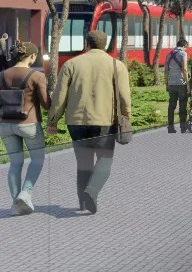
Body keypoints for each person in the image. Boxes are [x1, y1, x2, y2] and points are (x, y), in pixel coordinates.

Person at [46, 29, 131, 214]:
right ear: (105, 45)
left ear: (86, 44)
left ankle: (83, 203)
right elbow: (125, 97)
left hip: (76, 122)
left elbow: (59, 97)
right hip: (105, 122)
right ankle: (91, 192)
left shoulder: (71, 64)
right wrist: (126, 117)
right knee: (105, 160)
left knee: (83, 162)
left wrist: (52, 121)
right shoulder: (117, 65)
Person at [1, 41, 50, 215]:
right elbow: (46, 104)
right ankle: (25, 193)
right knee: (37, 159)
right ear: (33, 56)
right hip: (29, 124)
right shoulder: (36, 76)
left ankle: (16, 204)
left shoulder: (2, 75)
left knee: (15, 163)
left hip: (5, 124)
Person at [165, 38, 190, 133]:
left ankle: (170, 128)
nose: (186, 50)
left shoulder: (169, 54)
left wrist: (167, 83)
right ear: (184, 46)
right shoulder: (183, 54)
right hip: (181, 83)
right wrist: (187, 83)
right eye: (186, 48)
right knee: (183, 105)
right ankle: (183, 128)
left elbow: (166, 70)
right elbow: (184, 69)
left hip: (171, 83)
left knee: (171, 106)